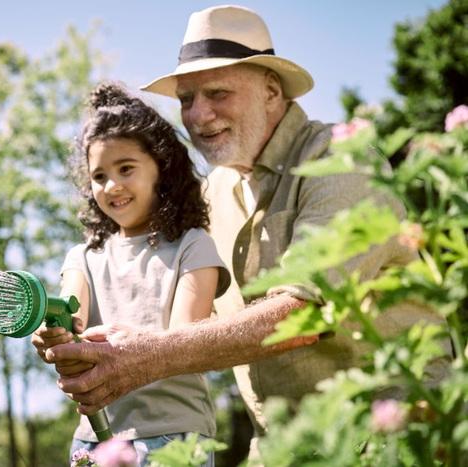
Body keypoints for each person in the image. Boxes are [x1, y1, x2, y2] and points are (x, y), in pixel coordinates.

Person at [46, 5, 451, 462]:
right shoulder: (213, 192)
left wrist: (143, 357)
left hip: (395, 433)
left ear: (271, 91)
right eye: (186, 99)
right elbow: (149, 283)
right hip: (284, 445)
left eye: (218, 93)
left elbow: (301, 316)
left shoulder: (340, 159)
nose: (198, 116)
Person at [32, 82, 231, 466]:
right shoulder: (84, 257)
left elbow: (186, 345)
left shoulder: (193, 247)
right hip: (95, 441)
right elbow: (69, 316)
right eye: (99, 176)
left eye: (126, 169)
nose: (112, 185)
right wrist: (54, 334)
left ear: (162, 168)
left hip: (173, 437)